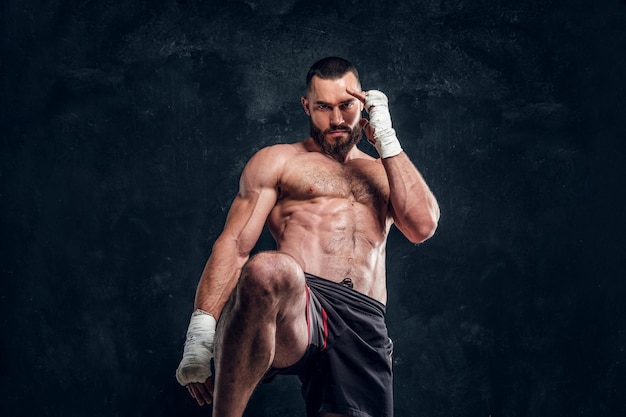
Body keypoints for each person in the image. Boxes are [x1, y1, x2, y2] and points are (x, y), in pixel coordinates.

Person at [175, 56, 440, 417]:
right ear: (306, 106)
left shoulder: (384, 171)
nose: (336, 119)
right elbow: (235, 244)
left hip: (363, 320)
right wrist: (201, 331)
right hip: (299, 306)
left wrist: (387, 139)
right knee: (269, 268)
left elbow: (421, 226)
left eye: (346, 106)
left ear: (362, 103)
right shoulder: (279, 161)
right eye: (323, 107)